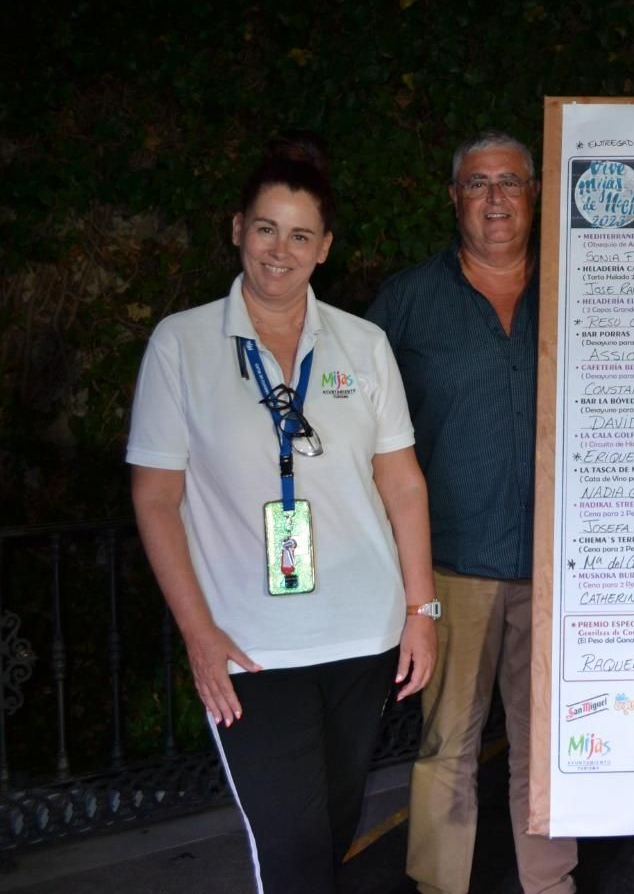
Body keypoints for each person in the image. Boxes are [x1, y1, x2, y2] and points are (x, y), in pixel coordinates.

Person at [127, 137, 438, 894]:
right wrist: (201, 639)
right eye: (266, 227)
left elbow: (402, 485)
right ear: (237, 229)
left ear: (324, 248)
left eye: (301, 234)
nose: (280, 249)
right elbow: (155, 498)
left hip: (363, 637)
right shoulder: (182, 345)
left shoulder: (362, 345)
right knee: (292, 854)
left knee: (331, 837)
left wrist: (421, 609)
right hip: (250, 649)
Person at [367, 131, 578, 894]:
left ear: (535, 195)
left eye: (511, 183)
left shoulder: (577, 287)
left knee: (543, 743)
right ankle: (437, 887)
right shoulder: (406, 303)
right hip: (451, 564)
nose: (495, 199)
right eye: (479, 184)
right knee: (447, 743)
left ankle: (551, 885)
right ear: (454, 198)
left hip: (561, 565)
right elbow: (366, 437)